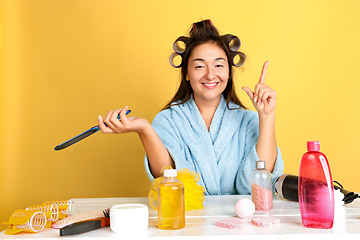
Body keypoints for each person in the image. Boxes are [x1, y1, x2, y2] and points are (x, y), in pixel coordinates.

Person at [98, 19, 284, 195]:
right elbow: (168, 179)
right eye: (199, 67)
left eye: (219, 65)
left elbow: (261, 183)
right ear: (186, 73)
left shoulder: (248, 120)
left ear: (229, 73)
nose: (211, 75)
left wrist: (267, 116)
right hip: (186, 220)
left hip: (240, 223)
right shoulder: (168, 121)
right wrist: (144, 129)